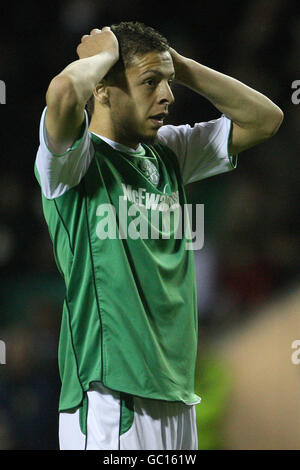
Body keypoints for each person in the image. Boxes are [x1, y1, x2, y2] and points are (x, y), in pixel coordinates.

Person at [34, 21, 283, 450]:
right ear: (103, 89)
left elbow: (264, 119)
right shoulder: (72, 163)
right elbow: (61, 94)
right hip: (111, 396)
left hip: (177, 395)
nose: (167, 96)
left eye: (168, 84)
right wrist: (101, 57)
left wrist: (181, 67)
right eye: (150, 82)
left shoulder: (169, 152)